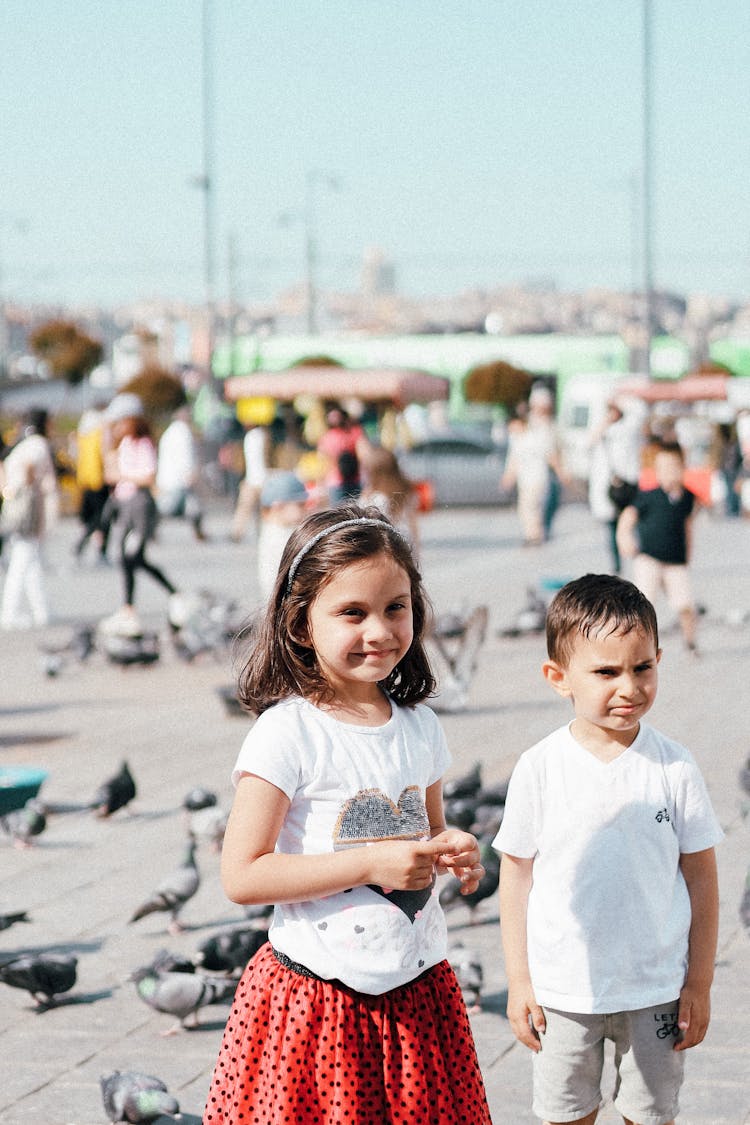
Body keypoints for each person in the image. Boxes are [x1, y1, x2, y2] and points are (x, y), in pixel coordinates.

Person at [203, 505, 492, 1124]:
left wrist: (451, 846)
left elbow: (426, 830)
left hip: (418, 998)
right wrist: (370, 862)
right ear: (301, 624)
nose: (380, 630)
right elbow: (243, 875)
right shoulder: (287, 734)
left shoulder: (421, 727)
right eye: (352, 613)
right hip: (318, 1003)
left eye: (396, 607)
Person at [495, 573, 722, 1125]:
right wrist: (520, 981)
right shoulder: (540, 767)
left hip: (657, 988)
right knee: (566, 1112)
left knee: (650, 1113)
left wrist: (699, 981)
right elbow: (517, 877)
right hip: (562, 991)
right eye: (606, 672)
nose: (629, 686)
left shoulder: (675, 766)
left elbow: (701, 878)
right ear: (558, 677)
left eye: (643, 667)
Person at [100, 395, 178, 636]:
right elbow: (110, 473)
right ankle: (131, 606)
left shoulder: (143, 443)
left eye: (121, 422)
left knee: (133, 556)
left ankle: (168, 595)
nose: (118, 427)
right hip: (124, 504)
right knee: (128, 557)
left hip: (140, 505)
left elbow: (147, 476)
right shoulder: (123, 443)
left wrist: (123, 474)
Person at [616, 441, 699, 653]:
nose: (668, 473)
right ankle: (637, 646)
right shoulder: (648, 496)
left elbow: (688, 526)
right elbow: (627, 517)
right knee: (643, 602)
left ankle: (690, 642)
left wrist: (688, 553)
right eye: (662, 469)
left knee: (685, 603)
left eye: (672, 467)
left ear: (682, 468)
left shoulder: (688, 498)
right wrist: (624, 538)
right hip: (649, 558)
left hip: (675, 561)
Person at [0, 408, 58, 629]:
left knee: (30, 560)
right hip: (28, 507)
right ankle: (10, 613)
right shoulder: (37, 444)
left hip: (16, 505)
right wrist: (30, 487)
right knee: (23, 559)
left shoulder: (22, 443)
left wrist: (8, 490)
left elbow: (4, 465)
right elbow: (28, 468)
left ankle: (41, 610)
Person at [501, 387, 567, 546]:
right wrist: (508, 476)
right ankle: (534, 534)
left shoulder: (543, 429)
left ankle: (535, 535)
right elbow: (514, 459)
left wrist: (561, 472)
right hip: (526, 478)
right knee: (526, 507)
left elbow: (552, 453)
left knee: (532, 506)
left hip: (539, 477)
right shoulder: (522, 434)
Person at [587, 400, 644, 572]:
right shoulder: (601, 431)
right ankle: (617, 564)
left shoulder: (629, 429)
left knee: (633, 522)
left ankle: (639, 557)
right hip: (608, 488)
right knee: (612, 526)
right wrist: (604, 423)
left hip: (627, 485)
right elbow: (588, 442)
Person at [255, 469, 310, 602]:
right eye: (300, 504)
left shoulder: (273, 529)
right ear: (278, 506)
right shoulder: (281, 538)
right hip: (285, 605)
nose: (306, 509)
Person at [155, 405, 206, 541]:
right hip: (179, 479)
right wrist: (189, 473)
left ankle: (199, 532)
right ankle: (151, 530)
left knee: (192, 507)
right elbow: (185, 455)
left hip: (168, 478)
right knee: (169, 509)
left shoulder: (170, 432)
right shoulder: (182, 432)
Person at [360, 445, 421, 553]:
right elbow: (413, 521)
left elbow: (369, 525)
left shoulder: (377, 497)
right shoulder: (405, 489)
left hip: (384, 545)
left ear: (374, 472)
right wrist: (416, 546)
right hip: (405, 539)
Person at [72, 403, 112, 564]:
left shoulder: (83, 435)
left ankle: (85, 544)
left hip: (85, 480)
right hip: (100, 480)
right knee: (102, 517)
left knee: (92, 517)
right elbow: (104, 456)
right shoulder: (101, 433)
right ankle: (99, 549)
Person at [317, 405, 369, 504]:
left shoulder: (355, 432)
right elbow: (324, 461)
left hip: (353, 480)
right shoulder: (327, 437)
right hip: (336, 481)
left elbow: (364, 454)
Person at [229, 422, 269, 542]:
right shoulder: (263, 436)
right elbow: (266, 457)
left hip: (250, 478)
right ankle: (262, 532)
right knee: (264, 509)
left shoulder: (248, 437)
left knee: (243, 509)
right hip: (262, 478)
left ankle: (236, 533)